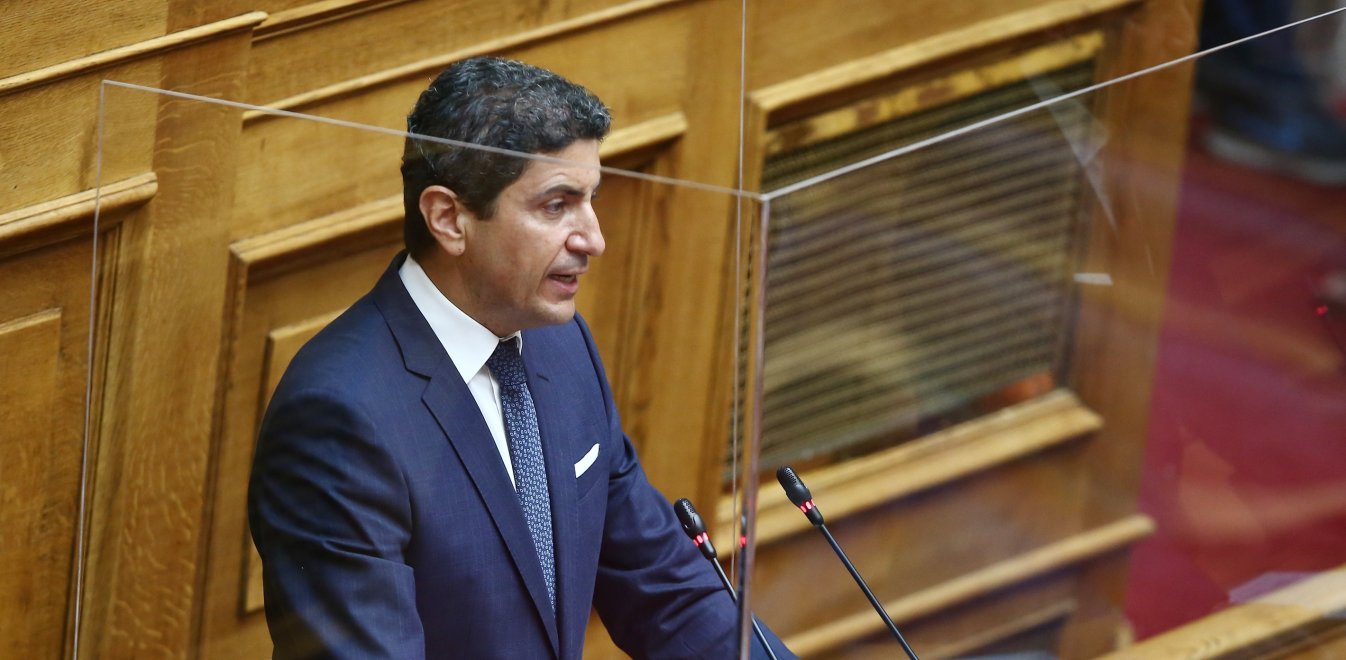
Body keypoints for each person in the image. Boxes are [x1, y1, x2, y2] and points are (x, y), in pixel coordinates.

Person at [247, 57, 792, 659]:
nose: (594, 239)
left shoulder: (562, 346)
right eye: (557, 205)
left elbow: (668, 590)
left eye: (591, 199)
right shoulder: (339, 419)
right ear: (449, 218)